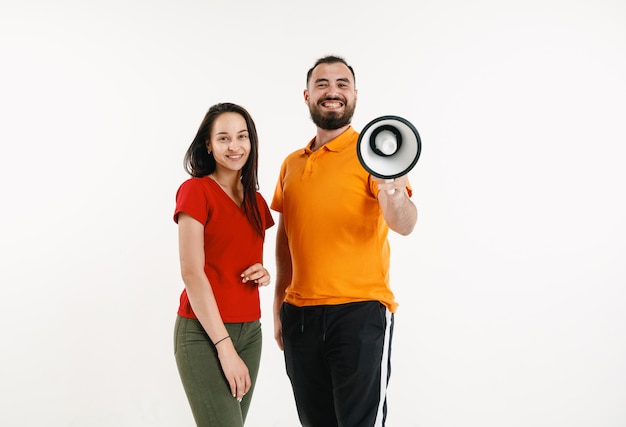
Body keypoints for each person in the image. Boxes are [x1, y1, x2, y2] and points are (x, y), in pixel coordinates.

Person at [271, 55, 418, 427]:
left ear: (354, 95)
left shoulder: (373, 155)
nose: (332, 92)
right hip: (299, 316)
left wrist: (395, 192)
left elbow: (404, 224)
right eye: (322, 84)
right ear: (307, 95)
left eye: (341, 84)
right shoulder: (291, 164)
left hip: (358, 313)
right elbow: (287, 237)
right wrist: (278, 303)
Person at [173, 102, 275, 427]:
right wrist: (225, 348)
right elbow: (191, 272)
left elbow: (238, 257)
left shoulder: (257, 202)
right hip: (204, 333)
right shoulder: (196, 191)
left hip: (251, 331)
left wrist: (264, 272)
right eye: (224, 138)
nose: (234, 146)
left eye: (242, 136)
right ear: (208, 144)